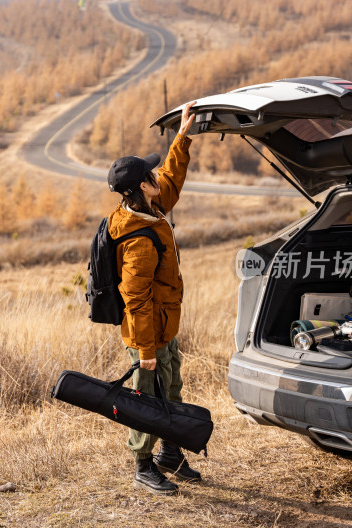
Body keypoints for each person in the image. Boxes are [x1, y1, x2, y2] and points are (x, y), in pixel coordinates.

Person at [106, 102, 198, 495]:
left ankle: (170, 453)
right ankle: (143, 465)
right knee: (146, 398)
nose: (157, 174)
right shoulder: (137, 241)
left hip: (164, 326)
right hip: (147, 332)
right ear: (142, 186)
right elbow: (136, 300)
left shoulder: (149, 207)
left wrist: (184, 135)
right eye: (150, 174)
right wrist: (145, 348)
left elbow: (172, 180)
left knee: (171, 387)